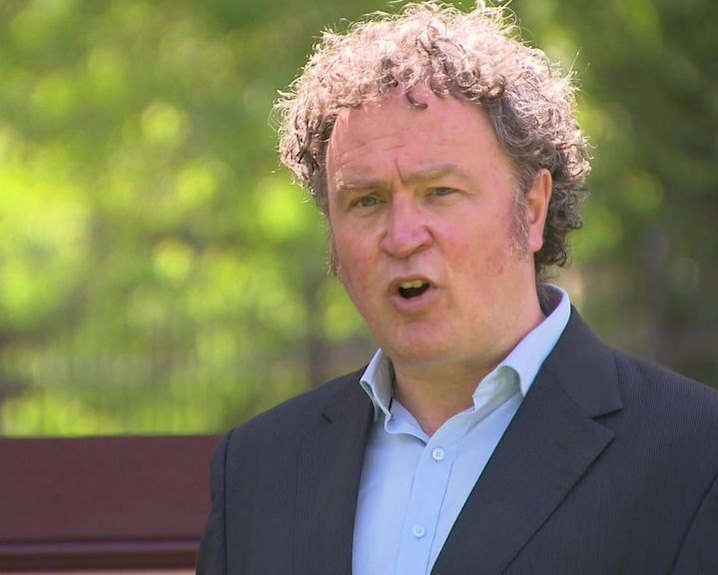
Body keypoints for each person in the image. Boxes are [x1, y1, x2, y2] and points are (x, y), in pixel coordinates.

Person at [196, 2, 718, 573]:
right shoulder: (256, 469)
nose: (401, 236)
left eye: (439, 191)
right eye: (365, 201)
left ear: (533, 208)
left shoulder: (695, 456)